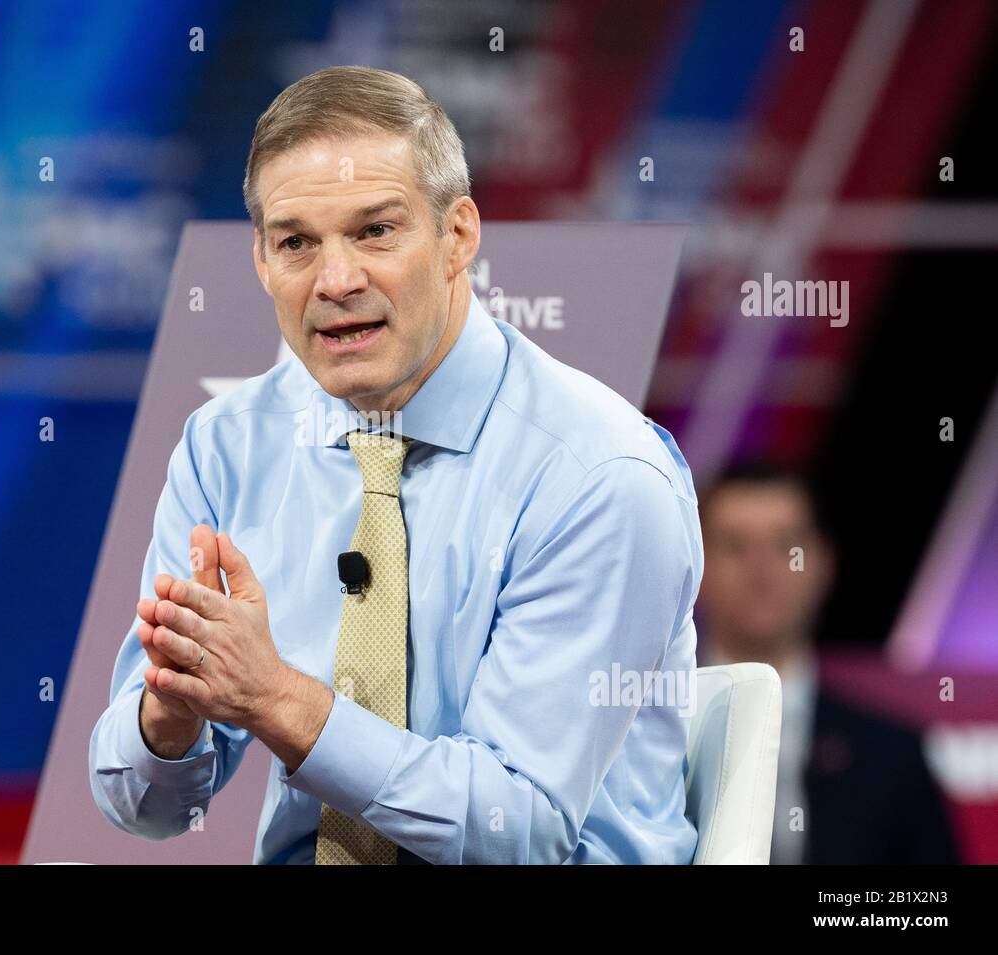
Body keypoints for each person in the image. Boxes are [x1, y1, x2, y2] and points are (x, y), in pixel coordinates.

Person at [89, 65, 703, 864]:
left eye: (375, 230)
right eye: (297, 242)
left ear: (459, 237)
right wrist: (166, 722)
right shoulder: (228, 446)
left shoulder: (599, 475)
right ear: (262, 264)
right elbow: (143, 810)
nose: (336, 280)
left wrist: (275, 697)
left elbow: (517, 831)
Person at [697, 460, 960, 864]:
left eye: (787, 546)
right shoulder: (644, 740)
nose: (761, 570)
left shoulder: (892, 755)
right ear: (695, 566)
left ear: (824, 563)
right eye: (734, 546)